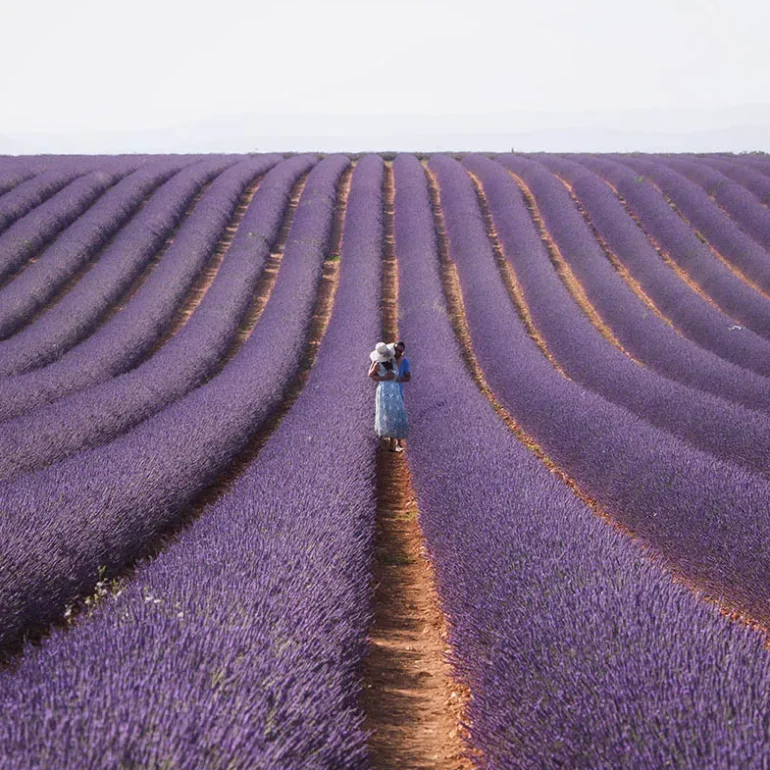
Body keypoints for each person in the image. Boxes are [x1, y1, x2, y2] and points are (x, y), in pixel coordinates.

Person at [368, 341, 409, 452]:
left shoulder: (394, 361)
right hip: (384, 390)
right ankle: (385, 442)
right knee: (384, 413)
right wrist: (381, 376)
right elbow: (371, 374)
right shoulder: (377, 362)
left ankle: (394, 441)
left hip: (393, 390)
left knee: (394, 413)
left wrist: (383, 377)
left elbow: (396, 375)